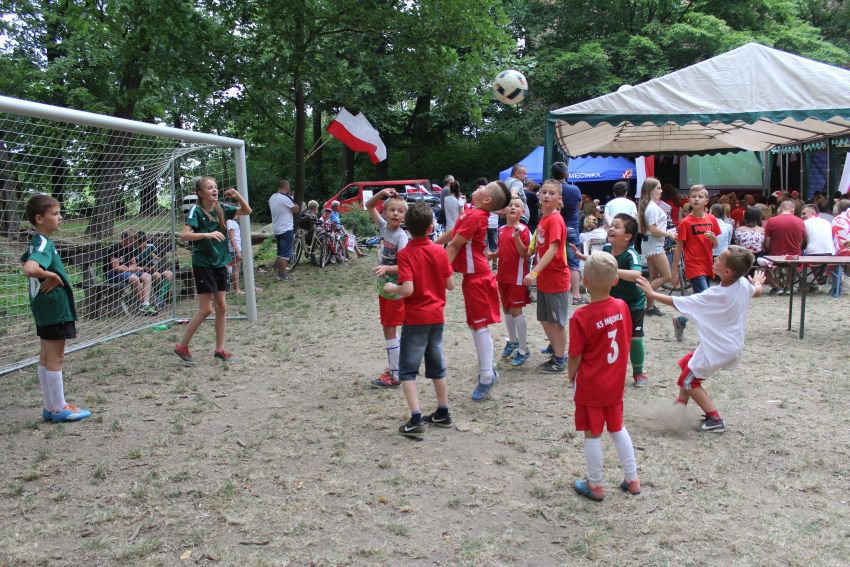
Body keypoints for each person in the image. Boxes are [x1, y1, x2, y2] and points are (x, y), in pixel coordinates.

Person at [637, 246, 766, 433]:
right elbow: (757, 291)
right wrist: (758, 283)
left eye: (719, 259)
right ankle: (679, 408)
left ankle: (715, 419)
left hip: (719, 348)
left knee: (689, 381)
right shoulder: (743, 283)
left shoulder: (717, 295)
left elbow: (680, 302)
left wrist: (652, 294)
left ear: (727, 271)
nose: (715, 259)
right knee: (687, 365)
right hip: (724, 345)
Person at [569, 251, 640, 502]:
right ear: (615, 280)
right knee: (618, 428)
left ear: (584, 281)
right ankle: (632, 478)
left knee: (592, 433)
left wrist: (570, 375)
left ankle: (595, 484)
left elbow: (575, 355)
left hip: (591, 385)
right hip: (615, 383)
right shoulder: (621, 306)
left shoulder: (581, 316)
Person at [383, 202, 454, 438]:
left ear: (406, 226)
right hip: (437, 317)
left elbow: (408, 289)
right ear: (431, 227)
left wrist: (393, 288)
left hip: (415, 319)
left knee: (407, 370)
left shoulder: (405, 254)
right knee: (437, 366)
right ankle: (443, 411)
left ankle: (415, 419)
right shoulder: (439, 251)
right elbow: (450, 285)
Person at [21, 194, 92, 423]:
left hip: (44, 308)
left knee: (46, 356)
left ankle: (50, 407)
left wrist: (45, 275)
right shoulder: (42, 242)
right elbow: (30, 268)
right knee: (56, 357)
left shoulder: (37, 241)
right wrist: (51, 275)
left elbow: (25, 261)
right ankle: (60, 408)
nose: (60, 217)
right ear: (39, 218)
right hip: (54, 309)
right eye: (55, 213)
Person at [441, 181, 511, 400]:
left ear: (487, 199)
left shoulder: (476, 216)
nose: (479, 187)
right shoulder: (471, 212)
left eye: (484, 187)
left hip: (478, 278)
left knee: (479, 327)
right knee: (476, 326)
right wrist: (430, 245)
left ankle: (487, 376)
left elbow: (454, 245)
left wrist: (438, 273)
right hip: (473, 278)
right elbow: (453, 234)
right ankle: (486, 372)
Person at [174, 176, 252, 364]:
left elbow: (247, 211)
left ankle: (220, 349)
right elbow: (184, 235)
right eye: (209, 188)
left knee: (222, 306)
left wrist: (237, 196)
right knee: (207, 309)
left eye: (215, 187)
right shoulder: (196, 211)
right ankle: (182, 346)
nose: (214, 190)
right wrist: (207, 234)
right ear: (200, 193)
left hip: (220, 263)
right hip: (203, 263)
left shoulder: (222, 208)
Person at [572, 213, 649, 387]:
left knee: (635, 338)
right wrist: (582, 257)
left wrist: (612, 270)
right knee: (610, 336)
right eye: (611, 226)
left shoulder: (630, 254)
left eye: (617, 227)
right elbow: (597, 261)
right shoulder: (606, 249)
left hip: (634, 304)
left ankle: (639, 372)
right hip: (612, 304)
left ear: (627, 236)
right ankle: (607, 369)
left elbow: (636, 274)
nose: (611, 229)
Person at [523, 179, 570, 373]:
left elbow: (553, 248)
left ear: (559, 198)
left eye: (552, 193)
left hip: (556, 278)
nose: (547, 196)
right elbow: (539, 243)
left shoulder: (555, 220)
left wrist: (534, 271)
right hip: (545, 278)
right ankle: (556, 347)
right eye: (544, 192)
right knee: (544, 318)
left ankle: (560, 359)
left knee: (557, 322)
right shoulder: (544, 217)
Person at [365, 188, 409, 388]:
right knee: (388, 328)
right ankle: (396, 367)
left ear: (404, 216)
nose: (395, 214)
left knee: (390, 329)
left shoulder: (401, 237)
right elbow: (369, 205)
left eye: (400, 211)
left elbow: (405, 266)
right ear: (384, 212)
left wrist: (387, 268)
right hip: (384, 287)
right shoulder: (383, 227)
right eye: (392, 210)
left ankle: (395, 374)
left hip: (394, 289)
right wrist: (382, 193)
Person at [671, 185, 720, 341]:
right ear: (689, 199)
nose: (697, 199)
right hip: (694, 266)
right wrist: (674, 271)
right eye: (694, 196)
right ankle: (707, 337)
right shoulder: (685, 222)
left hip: (708, 265)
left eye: (700, 197)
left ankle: (681, 320)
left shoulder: (712, 219)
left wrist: (714, 239)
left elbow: (715, 245)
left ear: (706, 201)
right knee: (706, 300)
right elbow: (678, 248)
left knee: (702, 302)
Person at [492, 197, 532, 367]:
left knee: (516, 311)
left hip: (517, 278)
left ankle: (523, 349)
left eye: (517, 206)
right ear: (504, 210)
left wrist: (516, 238)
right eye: (510, 205)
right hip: (503, 276)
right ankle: (513, 341)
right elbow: (502, 249)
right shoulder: (501, 229)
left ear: (522, 212)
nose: (513, 207)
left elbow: (524, 254)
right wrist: (493, 255)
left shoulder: (523, 230)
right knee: (507, 309)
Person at [637, 177, 676, 316]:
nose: (661, 191)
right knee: (666, 276)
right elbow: (653, 229)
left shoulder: (648, 205)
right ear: (650, 190)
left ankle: (650, 307)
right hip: (654, 244)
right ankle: (639, 295)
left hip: (651, 243)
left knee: (654, 276)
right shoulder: (652, 207)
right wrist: (669, 234)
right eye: (658, 188)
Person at [552, 161, 585, 305]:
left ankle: (556, 293)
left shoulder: (549, 189)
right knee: (573, 263)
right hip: (571, 227)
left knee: (554, 261)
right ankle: (576, 295)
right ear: (566, 173)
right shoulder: (574, 189)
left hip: (554, 228)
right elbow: (579, 207)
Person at [104, 228, 156, 314]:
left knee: (147, 276)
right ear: (124, 239)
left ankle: (146, 304)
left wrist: (129, 269)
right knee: (134, 278)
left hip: (127, 272)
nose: (131, 243)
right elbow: (116, 267)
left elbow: (133, 264)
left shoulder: (131, 248)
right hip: (113, 274)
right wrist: (130, 269)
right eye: (130, 241)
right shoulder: (115, 248)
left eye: (132, 241)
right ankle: (142, 305)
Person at [764, 199, 805, 293]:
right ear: (793, 209)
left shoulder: (771, 221)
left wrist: (767, 250)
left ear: (780, 208)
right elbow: (800, 241)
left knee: (760, 267)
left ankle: (776, 287)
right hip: (794, 257)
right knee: (793, 266)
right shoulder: (800, 221)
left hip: (775, 257)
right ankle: (788, 286)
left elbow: (767, 243)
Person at [269, 179, 299, 281]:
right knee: (285, 254)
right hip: (286, 229)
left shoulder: (272, 197)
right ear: (286, 187)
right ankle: (282, 275)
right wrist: (291, 198)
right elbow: (296, 210)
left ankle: (279, 273)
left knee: (280, 253)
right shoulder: (285, 198)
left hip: (276, 229)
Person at [135, 231, 175, 307]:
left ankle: (160, 299)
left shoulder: (150, 247)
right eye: (138, 243)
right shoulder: (134, 250)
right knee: (157, 276)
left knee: (169, 274)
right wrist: (147, 268)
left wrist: (155, 258)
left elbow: (158, 259)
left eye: (142, 242)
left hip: (156, 269)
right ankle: (157, 299)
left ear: (146, 241)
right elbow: (135, 266)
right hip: (144, 272)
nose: (140, 245)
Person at [225, 218, 243, 294]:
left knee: (235, 269)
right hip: (234, 249)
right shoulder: (230, 222)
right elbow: (232, 238)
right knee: (235, 270)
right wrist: (237, 251)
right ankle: (236, 290)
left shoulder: (233, 222)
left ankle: (235, 289)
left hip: (236, 248)